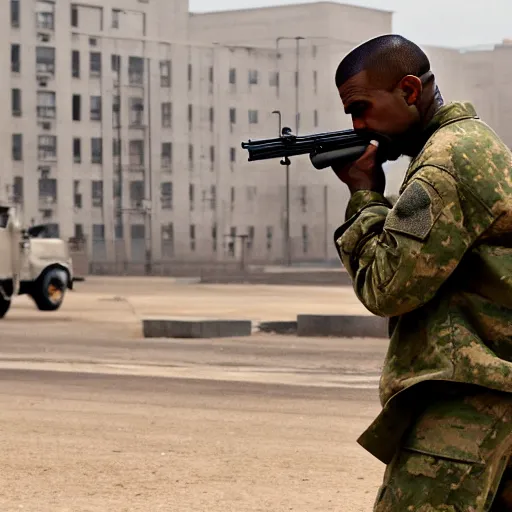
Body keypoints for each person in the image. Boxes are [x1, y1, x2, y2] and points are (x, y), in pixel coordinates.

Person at [332, 34, 512, 511]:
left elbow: (387, 288)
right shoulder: (474, 141)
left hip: (466, 401)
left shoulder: (442, 166)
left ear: (410, 91)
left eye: (363, 108)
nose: (358, 124)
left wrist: (365, 196)